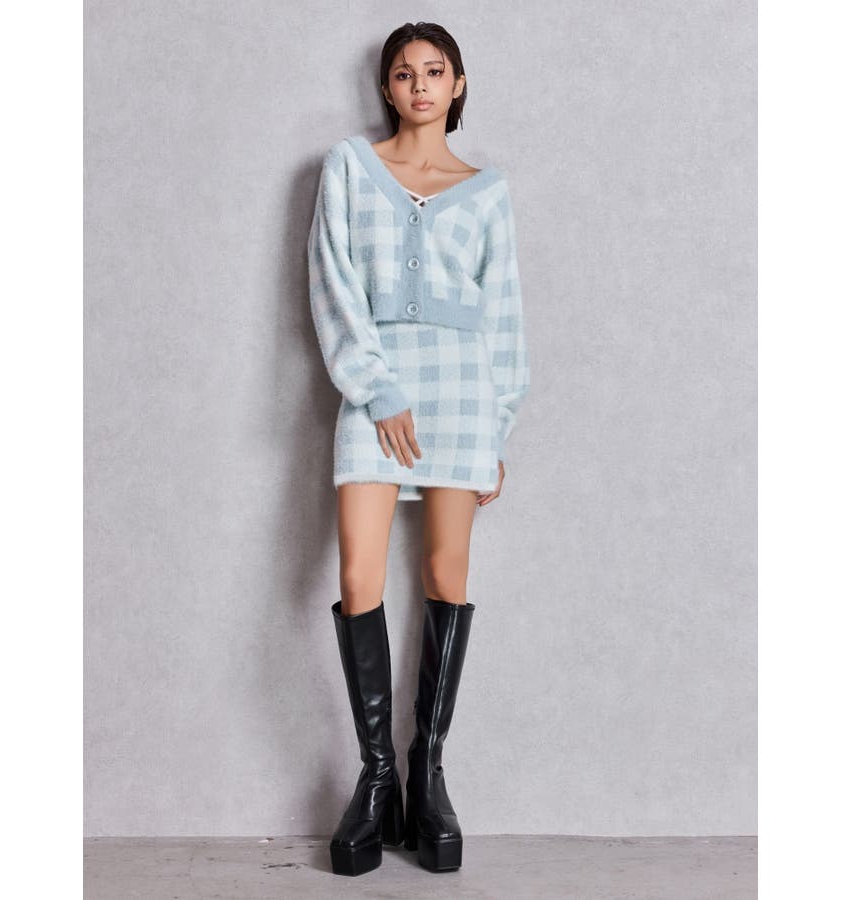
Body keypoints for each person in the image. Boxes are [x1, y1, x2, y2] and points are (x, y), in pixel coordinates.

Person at [306, 21, 531, 877]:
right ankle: (375, 780)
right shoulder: (348, 167)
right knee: (358, 574)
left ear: (459, 84)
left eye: (436, 71)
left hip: (463, 393)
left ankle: (426, 775)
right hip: (379, 387)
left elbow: (503, 314)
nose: (421, 85)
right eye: (404, 74)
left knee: (445, 574)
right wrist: (376, 386)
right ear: (387, 88)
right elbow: (333, 281)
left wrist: (496, 426)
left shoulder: (488, 190)